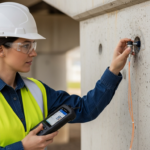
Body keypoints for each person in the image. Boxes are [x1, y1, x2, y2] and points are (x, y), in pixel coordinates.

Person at [0, 2, 132, 150]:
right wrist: (22, 147)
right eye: (25, 46)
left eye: (33, 45)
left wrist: (113, 70)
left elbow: (85, 109)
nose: (34, 53)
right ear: (1, 49)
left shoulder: (37, 90)